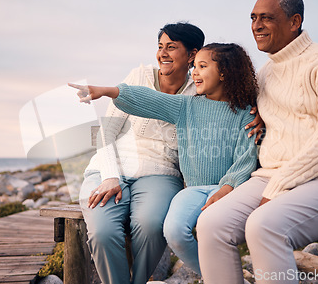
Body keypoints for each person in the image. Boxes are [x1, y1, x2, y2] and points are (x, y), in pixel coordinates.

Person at [196, 0, 318, 284]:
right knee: (212, 223)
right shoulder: (266, 75)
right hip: (273, 178)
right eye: (253, 18)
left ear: (294, 22)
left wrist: (279, 186)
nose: (257, 25)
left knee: (264, 225)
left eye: (267, 17)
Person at [71, 42, 259, 276]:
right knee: (173, 231)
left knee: (203, 228)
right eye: (195, 67)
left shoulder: (246, 113)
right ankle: (215, 276)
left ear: (224, 72)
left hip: (229, 189)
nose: (195, 72)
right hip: (192, 191)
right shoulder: (187, 106)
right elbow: (149, 99)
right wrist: (111, 91)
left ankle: (223, 277)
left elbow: (246, 157)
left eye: (202, 66)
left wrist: (227, 187)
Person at [75, 22, 205, 284]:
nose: (162, 54)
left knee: (150, 226)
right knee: (102, 232)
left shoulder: (199, 91)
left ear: (192, 54)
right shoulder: (139, 76)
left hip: (160, 173)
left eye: (171, 47)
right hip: (109, 169)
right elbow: (106, 131)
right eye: (160, 47)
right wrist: (110, 176)